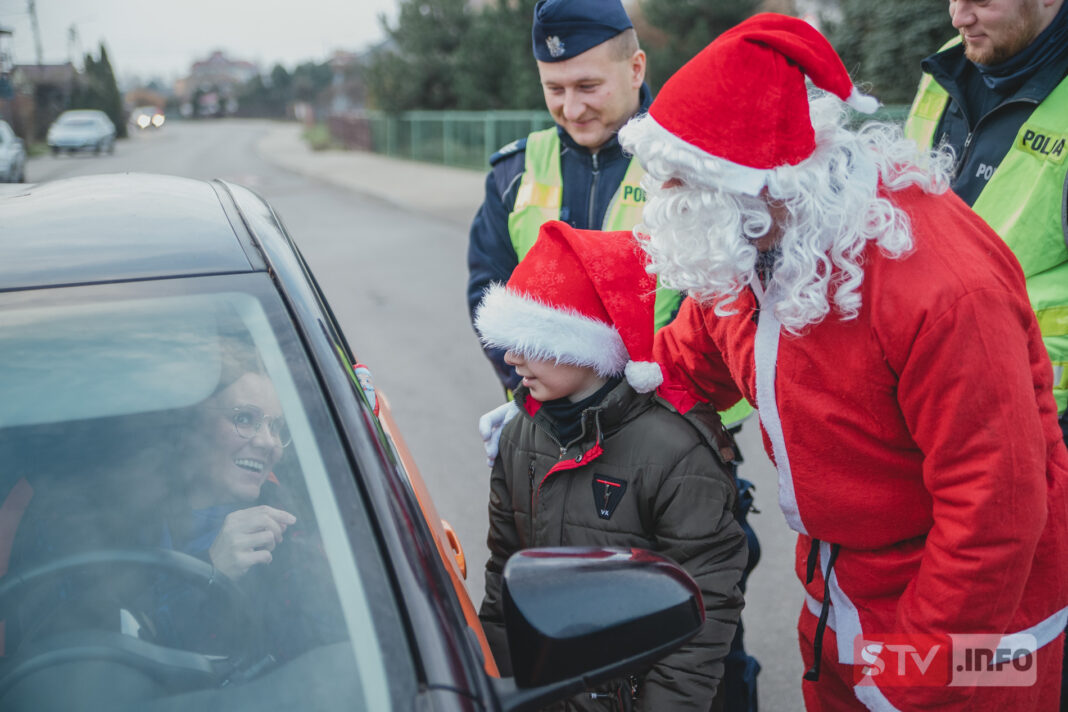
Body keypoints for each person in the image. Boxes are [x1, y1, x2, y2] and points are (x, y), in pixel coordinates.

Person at [615, 12, 1068, 710]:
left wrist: (911, 683)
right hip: (844, 591)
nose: (666, 201)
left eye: (682, 181)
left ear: (757, 183)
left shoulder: (944, 291)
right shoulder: (758, 242)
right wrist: (577, 409)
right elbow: (691, 357)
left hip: (977, 631)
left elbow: (994, 514)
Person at [467, 2, 760, 703]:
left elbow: (723, 302)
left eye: (588, 85)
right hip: (558, 443)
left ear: (636, 67)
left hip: (678, 447)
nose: (571, 107)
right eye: (554, 88)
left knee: (701, 645)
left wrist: (655, 418)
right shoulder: (516, 172)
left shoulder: (686, 165)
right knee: (569, 640)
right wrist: (534, 395)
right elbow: (487, 292)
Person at [475, 220, 747, 711]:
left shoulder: (674, 451)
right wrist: (496, 689)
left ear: (586, 344)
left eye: (531, 341)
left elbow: (707, 604)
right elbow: (504, 579)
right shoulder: (518, 436)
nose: (512, 358)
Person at [904, 0, 1068, 442]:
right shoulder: (952, 59)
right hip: (937, 396)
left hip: (1040, 420)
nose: (958, 17)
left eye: (981, 1)